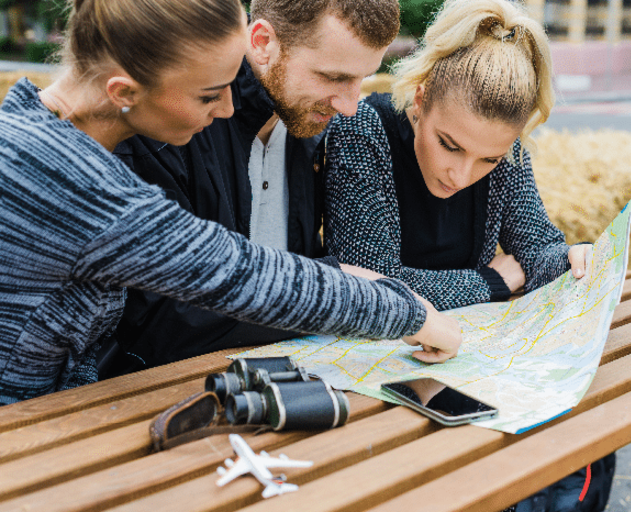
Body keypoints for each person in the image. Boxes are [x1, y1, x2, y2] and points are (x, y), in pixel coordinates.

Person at [0, 0, 461, 406]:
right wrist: (409, 313)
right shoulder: (69, 181)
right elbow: (241, 275)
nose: (225, 109)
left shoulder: (25, 126)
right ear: (123, 92)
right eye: (208, 94)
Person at [323, 0, 612, 509]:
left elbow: (536, 248)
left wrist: (573, 261)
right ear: (420, 97)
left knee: (585, 446)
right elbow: (371, 283)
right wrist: (491, 283)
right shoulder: (362, 130)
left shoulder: (506, 152)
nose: (462, 174)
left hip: (463, 365)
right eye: (449, 144)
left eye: (489, 159)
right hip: (373, 372)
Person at [101, 0, 403, 377]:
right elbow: (158, 319)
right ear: (261, 42)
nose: (349, 106)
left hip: (279, 378)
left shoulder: (305, 123)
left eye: (362, 80)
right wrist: (338, 287)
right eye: (332, 77)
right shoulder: (171, 118)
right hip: (159, 388)